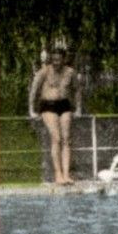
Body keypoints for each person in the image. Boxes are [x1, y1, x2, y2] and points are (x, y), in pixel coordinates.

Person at [28, 48, 83, 186]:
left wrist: (78, 109)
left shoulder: (70, 72)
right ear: (51, 59)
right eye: (54, 60)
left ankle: (66, 174)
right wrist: (32, 111)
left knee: (66, 139)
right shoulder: (44, 71)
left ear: (64, 59)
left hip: (64, 105)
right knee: (56, 138)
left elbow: (77, 91)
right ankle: (58, 174)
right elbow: (34, 90)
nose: (56, 62)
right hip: (48, 105)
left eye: (59, 60)